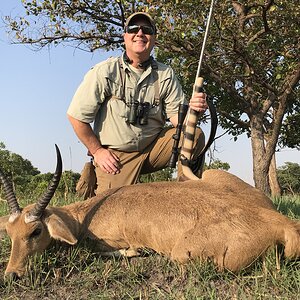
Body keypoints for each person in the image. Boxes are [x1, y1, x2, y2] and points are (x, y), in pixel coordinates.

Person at [67, 12, 208, 194]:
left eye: (146, 30)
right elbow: (76, 117)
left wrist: (196, 110)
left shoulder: (165, 74)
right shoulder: (105, 71)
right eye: (134, 29)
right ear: (125, 36)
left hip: (152, 150)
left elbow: (179, 122)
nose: (140, 33)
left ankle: (188, 195)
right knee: (111, 213)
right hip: (117, 157)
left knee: (193, 134)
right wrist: (97, 151)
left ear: (154, 39)